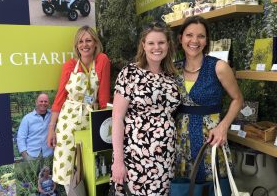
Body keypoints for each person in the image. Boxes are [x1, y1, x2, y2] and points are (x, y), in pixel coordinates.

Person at [111, 22, 181, 195]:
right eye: (151, 43)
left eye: (161, 43)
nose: (156, 47)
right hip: (136, 156)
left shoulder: (171, 76)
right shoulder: (130, 73)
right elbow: (117, 118)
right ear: (143, 45)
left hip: (165, 156)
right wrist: (118, 161)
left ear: (168, 45)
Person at [174, 15, 243, 181]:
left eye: (201, 36)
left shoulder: (218, 67)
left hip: (211, 138)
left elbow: (238, 99)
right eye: (189, 35)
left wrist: (223, 127)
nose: (194, 40)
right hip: (180, 141)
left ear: (207, 41)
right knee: (184, 188)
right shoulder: (173, 69)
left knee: (213, 186)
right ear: (181, 38)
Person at [47, 25, 110, 194]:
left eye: (88, 40)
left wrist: (103, 128)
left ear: (96, 43)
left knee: (90, 166)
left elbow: (103, 99)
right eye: (80, 41)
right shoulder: (70, 65)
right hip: (68, 122)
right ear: (76, 45)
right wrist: (51, 129)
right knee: (67, 168)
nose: (85, 45)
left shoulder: (102, 60)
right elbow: (60, 97)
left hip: (90, 120)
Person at [17, 93, 53, 160]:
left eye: (45, 101)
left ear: (48, 103)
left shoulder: (52, 115)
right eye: (41, 101)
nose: (43, 103)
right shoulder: (27, 118)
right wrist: (26, 156)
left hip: (49, 154)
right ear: (36, 102)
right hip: (31, 155)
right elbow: (21, 138)